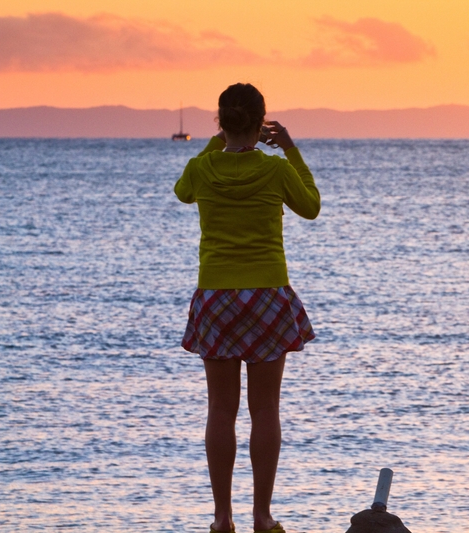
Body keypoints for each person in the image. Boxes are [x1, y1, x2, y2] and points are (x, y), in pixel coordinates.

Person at [174, 82, 320, 533]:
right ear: (262, 124)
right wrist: (291, 149)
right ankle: (262, 515)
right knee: (265, 410)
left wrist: (216, 145)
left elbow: (182, 191)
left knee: (220, 410)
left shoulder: (203, 168)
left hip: (217, 295)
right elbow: (311, 207)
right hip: (266, 293)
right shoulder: (275, 170)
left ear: (221, 122)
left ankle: (222, 519)